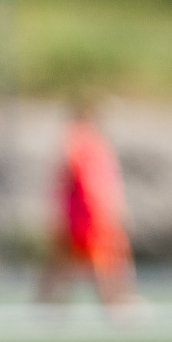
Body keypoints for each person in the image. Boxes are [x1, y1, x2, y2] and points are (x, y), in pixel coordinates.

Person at [38, 100, 136, 309]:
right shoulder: (79, 142)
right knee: (99, 261)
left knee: (80, 261)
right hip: (86, 214)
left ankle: (48, 304)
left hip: (88, 213)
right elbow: (88, 181)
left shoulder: (91, 144)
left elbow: (106, 182)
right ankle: (114, 304)